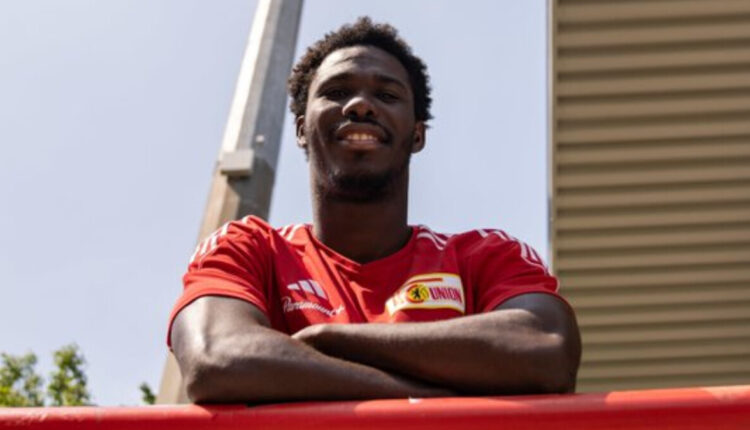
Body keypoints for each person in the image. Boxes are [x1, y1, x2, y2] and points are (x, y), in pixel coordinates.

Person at [168, 17, 581, 403]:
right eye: (336, 92)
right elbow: (217, 359)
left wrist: (329, 340)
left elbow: (547, 349)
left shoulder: (486, 256)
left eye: (387, 95)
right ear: (301, 129)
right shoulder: (248, 248)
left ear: (417, 134)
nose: (360, 106)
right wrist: (425, 399)